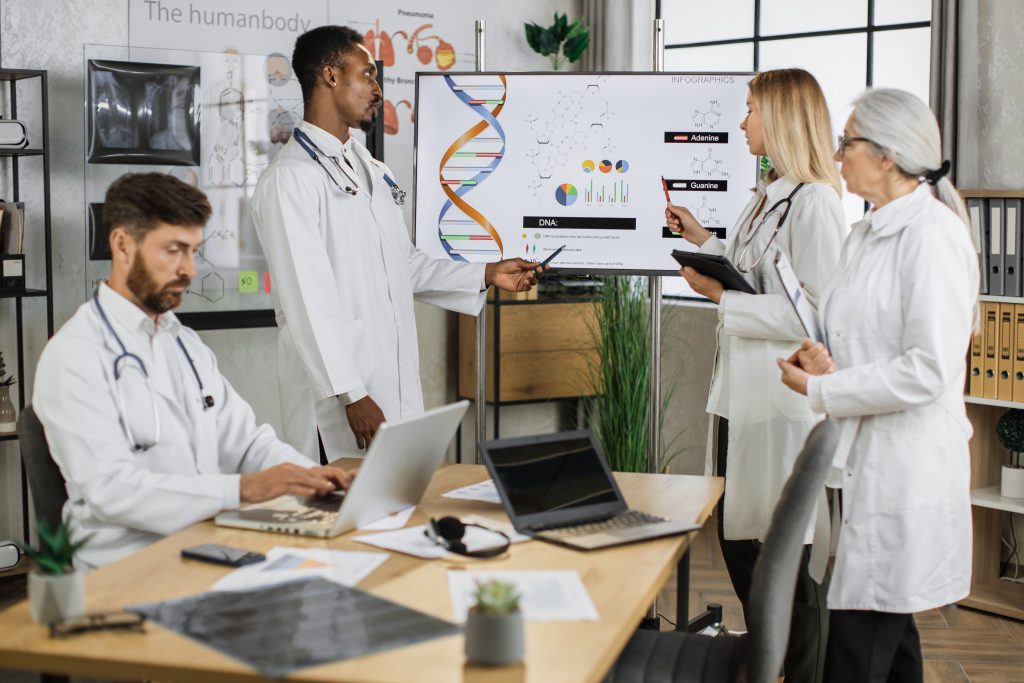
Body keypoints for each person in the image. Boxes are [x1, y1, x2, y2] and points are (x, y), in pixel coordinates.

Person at [251, 26, 543, 461]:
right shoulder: (291, 179)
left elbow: (403, 265)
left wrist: (487, 273)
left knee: (394, 515)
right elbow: (305, 300)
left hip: (390, 387)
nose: (376, 88)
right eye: (366, 74)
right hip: (341, 400)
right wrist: (352, 395)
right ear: (330, 76)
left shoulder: (366, 166)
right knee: (344, 516)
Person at [33, 173, 354, 569]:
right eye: (174, 250)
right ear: (122, 245)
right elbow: (112, 489)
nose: (189, 269)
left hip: (211, 543)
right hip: (125, 565)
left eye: (193, 251)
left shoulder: (182, 342)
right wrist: (243, 490)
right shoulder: (74, 355)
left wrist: (318, 479)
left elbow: (248, 443)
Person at [778, 89, 977, 683]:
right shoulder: (866, 233)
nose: (837, 155)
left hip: (906, 469)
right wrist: (824, 362)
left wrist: (820, 392)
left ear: (886, 156)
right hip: (869, 457)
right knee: (890, 644)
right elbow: (866, 341)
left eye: (847, 143)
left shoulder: (931, 238)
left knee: (857, 648)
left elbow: (928, 369)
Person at [665, 69, 846, 682]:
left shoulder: (816, 202)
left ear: (782, 119)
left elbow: (818, 312)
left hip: (780, 397)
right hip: (740, 396)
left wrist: (721, 296)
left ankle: (799, 668)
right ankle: (770, 661)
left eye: (750, 110)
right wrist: (703, 240)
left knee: (779, 555)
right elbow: (755, 272)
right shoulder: (768, 193)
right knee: (741, 540)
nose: (742, 122)